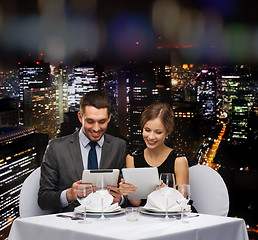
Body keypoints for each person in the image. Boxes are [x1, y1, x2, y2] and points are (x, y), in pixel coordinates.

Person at [38, 91, 127, 212]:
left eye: (102, 121)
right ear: (80, 117)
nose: (96, 128)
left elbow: (128, 192)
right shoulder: (56, 148)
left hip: (108, 221)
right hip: (71, 224)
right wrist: (69, 195)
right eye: (90, 121)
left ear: (109, 118)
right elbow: (43, 200)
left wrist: (120, 199)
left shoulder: (119, 146)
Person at [119, 102, 189, 206]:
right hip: (145, 218)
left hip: (171, 218)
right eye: (147, 130)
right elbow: (136, 203)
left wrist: (168, 194)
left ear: (167, 132)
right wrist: (127, 191)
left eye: (158, 132)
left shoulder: (179, 160)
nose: (151, 137)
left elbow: (183, 204)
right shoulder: (132, 158)